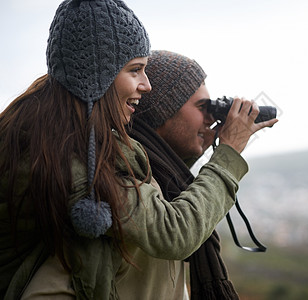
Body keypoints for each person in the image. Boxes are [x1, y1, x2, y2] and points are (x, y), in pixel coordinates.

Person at [0, 0, 272, 299]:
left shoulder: (39, 125)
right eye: (135, 70)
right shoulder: (76, 156)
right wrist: (229, 152)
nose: (146, 85)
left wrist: (204, 140)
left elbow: (166, 182)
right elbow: (173, 232)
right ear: (97, 75)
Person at [128, 50, 278, 299]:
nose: (210, 118)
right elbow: (178, 232)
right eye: (202, 107)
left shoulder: (160, 175)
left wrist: (205, 141)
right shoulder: (126, 170)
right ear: (162, 111)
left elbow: (172, 175)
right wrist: (228, 153)